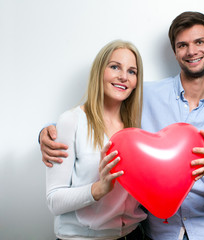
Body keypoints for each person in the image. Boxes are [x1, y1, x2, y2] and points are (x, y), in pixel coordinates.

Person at [40, 12, 204, 240]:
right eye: (182, 45)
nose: (191, 51)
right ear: (175, 52)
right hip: (157, 233)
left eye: (199, 42)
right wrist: (48, 133)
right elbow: (98, 115)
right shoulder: (144, 96)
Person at [45, 40, 147, 240]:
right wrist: (98, 188)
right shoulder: (71, 121)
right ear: (99, 71)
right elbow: (54, 201)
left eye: (132, 71)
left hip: (133, 235)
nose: (123, 77)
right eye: (115, 67)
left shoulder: (135, 128)